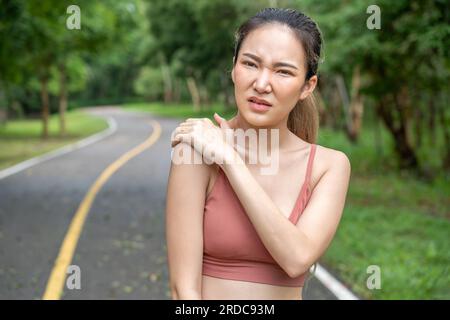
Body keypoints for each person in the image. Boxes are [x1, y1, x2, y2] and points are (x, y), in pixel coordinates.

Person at [165, 7, 351, 300]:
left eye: (283, 71)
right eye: (251, 64)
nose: (262, 84)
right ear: (234, 68)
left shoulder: (329, 166)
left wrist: (230, 160)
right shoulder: (196, 151)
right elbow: (183, 290)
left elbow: (296, 258)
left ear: (307, 86)